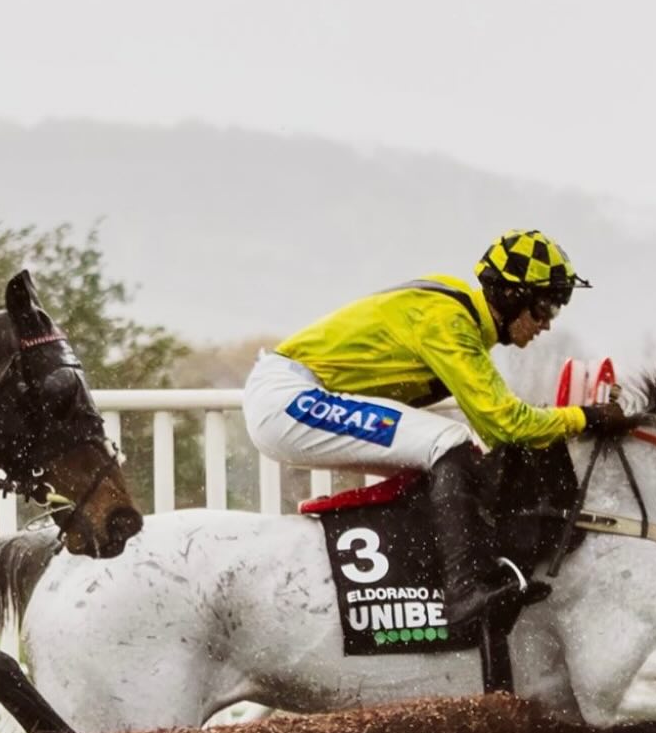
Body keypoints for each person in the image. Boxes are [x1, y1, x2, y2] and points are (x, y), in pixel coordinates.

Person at [243, 231, 625, 627]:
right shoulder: (450, 322)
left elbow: (498, 436)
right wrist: (588, 417)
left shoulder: (464, 324)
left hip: (294, 393)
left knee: (463, 454)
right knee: (448, 441)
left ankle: (436, 580)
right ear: (513, 296)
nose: (546, 324)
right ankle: (462, 593)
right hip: (287, 398)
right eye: (544, 308)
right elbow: (509, 423)